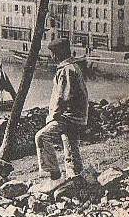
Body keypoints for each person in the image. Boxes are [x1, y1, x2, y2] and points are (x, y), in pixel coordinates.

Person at [35, 38, 89, 193]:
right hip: (77, 116)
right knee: (71, 145)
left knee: (41, 136)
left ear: (58, 54)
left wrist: (53, 117)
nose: (52, 57)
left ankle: (55, 176)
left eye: (53, 53)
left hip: (69, 117)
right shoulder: (73, 67)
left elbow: (61, 97)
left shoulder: (65, 70)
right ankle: (76, 176)